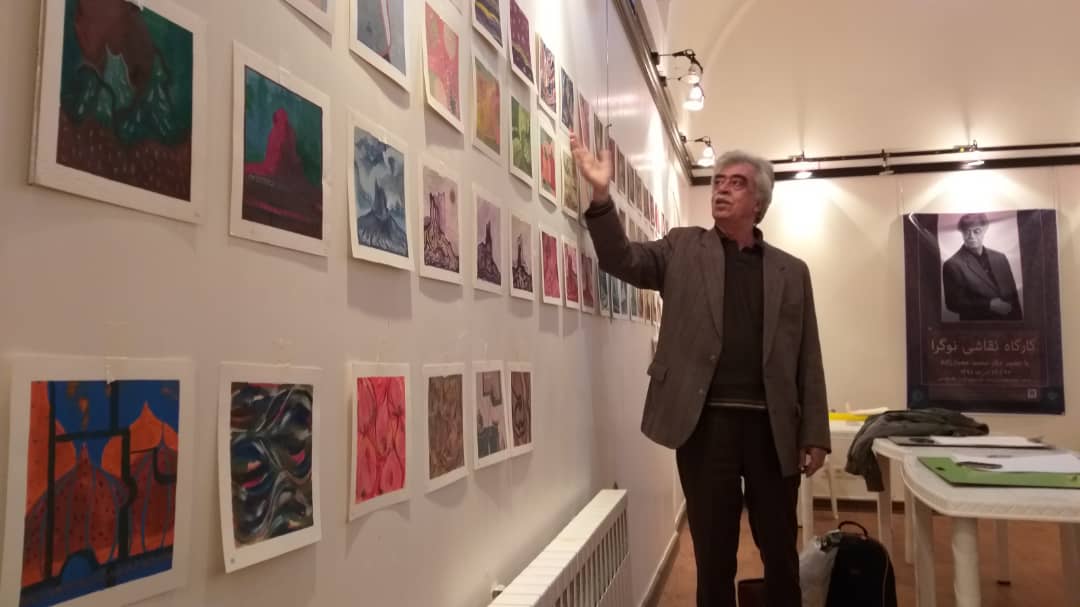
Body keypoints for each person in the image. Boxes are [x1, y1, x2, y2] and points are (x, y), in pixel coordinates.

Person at [571, 135, 830, 607]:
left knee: (779, 552)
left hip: (773, 430)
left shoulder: (792, 271)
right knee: (713, 557)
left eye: (737, 183)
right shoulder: (683, 247)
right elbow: (622, 259)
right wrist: (602, 196)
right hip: (706, 426)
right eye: (718, 181)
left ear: (759, 202)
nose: (722, 189)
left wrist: (815, 432)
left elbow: (808, 355)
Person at [941, 213, 1022, 321]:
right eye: (966, 231)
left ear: (985, 230)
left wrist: (1019, 324)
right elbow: (953, 303)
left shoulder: (1000, 257)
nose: (971, 236)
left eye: (976, 231)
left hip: (1010, 323)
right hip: (977, 326)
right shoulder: (952, 264)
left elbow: (1014, 297)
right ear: (961, 232)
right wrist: (988, 305)